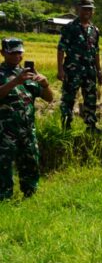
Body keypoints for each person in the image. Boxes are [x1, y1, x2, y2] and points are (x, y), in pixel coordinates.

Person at [0, 38, 53, 200]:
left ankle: (30, 193)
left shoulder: (28, 73)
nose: (17, 56)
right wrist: (16, 81)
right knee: (4, 165)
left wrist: (45, 84)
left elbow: (49, 98)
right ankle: (4, 197)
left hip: (28, 129)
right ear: (3, 53)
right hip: (5, 130)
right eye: (13, 53)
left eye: (19, 53)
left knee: (30, 162)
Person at [57, 0, 102, 132]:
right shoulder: (69, 27)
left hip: (89, 70)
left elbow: (96, 51)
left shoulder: (95, 29)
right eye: (85, 9)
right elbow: (61, 49)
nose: (87, 12)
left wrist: (99, 71)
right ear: (78, 9)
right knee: (68, 98)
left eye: (90, 9)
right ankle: (66, 126)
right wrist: (60, 70)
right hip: (73, 70)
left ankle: (91, 126)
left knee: (90, 98)